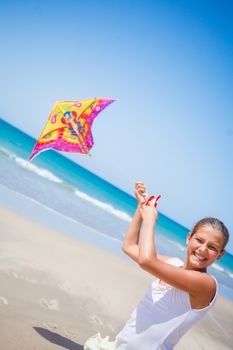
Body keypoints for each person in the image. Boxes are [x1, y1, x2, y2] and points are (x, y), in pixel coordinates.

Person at [84, 182, 229, 350]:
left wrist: (150, 220)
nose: (202, 249)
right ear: (189, 238)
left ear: (220, 254)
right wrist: (141, 208)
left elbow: (146, 261)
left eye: (212, 247)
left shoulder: (206, 284)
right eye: (199, 240)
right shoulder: (173, 263)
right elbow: (129, 246)